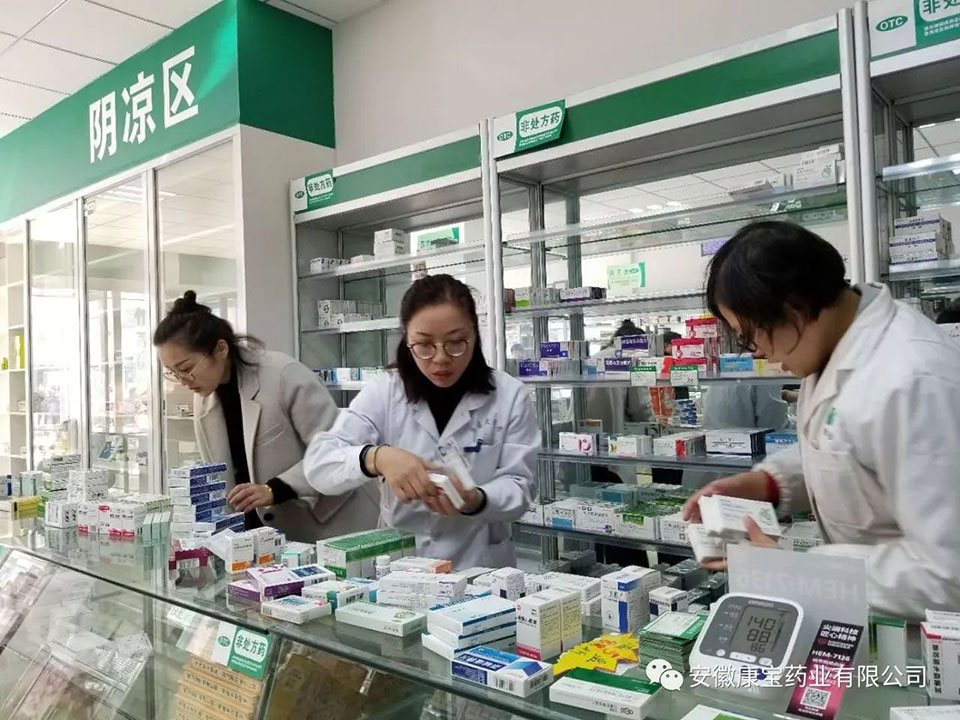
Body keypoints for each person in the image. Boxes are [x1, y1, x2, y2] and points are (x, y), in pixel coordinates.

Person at [682, 220, 960, 619]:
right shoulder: (834, 344)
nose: (756, 351)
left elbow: (948, 575)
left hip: (924, 632)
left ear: (794, 311)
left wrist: (798, 571)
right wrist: (768, 484)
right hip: (868, 615)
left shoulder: (915, 380)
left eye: (751, 334)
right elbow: (841, 446)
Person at [303, 274, 539, 569]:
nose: (440, 358)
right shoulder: (386, 391)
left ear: (475, 335)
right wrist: (376, 457)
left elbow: (521, 487)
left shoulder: (508, 395)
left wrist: (475, 499)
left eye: (455, 343)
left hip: (479, 565)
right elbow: (319, 464)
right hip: (403, 566)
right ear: (407, 340)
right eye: (424, 345)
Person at [154, 291, 379, 542]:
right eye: (172, 373)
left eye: (186, 369)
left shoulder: (283, 376)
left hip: (331, 522)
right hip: (260, 536)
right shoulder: (204, 398)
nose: (183, 381)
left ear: (221, 348)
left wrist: (275, 489)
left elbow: (338, 451)